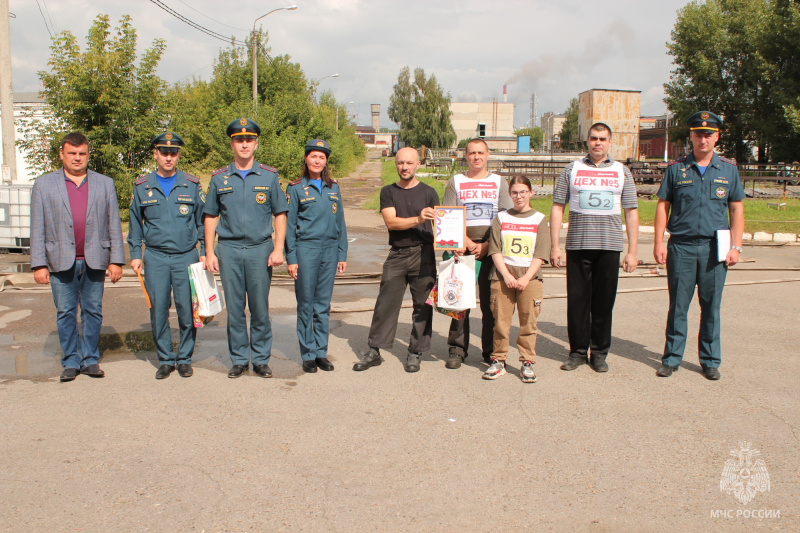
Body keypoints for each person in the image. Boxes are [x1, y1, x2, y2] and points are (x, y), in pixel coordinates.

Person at [653, 111, 744, 380]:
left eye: (708, 134)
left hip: (715, 248)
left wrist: (736, 246)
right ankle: (671, 358)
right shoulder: (676, 168)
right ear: (691, 136)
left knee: (711, 306)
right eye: (698, 134)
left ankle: (710, 360)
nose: (703, 139)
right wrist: (659, 242)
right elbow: (663, 205)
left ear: (716, 137)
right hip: (680, 246)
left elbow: (736, 209)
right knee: (678, 306)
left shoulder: (728, 169)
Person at [30, 132, 125, 382]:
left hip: (95, 259)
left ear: (87, 155)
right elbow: (37, 226)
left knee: (93, 311)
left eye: (82, 153)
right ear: (61, 154)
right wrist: (38, 264)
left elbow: (113, 223)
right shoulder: (43, 185)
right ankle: (71, 360)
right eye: (72, 153)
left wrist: (116, 260)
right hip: (60, 260)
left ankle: (90, 358)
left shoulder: (105, 183)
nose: (77, 158)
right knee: (65, 312)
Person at [550, 122, 639, 373]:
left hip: (609, 247)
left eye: (602, 138)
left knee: (603, 303)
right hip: (578, 246)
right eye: (593, 138)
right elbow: (558, 207)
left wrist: (632, 251)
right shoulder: (571, 169)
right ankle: (577, 352)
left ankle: (599, 352)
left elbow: (631, 211)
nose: (598, 142)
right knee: (578, 302)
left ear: (610, 142)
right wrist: (555, 245)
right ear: (586, 141)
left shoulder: (622, 171)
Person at [203, 118, 288, 379]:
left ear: (256, 144)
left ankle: (261, 358)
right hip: (228, 250)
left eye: (249, 140)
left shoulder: (269, 177)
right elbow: (210, 216)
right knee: (235, 308)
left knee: (260, 307)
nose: (244, 144)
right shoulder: (219, 179)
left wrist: (278, 248)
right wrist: (209, 252)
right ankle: (239, 358)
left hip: (260, 250)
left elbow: (280, 214)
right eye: (239, 140)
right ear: (232, 144)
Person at [353, 146, 439, 373]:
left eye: (409, 163)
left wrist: (455, 244)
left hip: (424, 254)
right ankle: (375, 350)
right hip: (398, 255)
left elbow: (443, 225)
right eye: (400, 163)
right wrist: (419, 218)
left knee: (423, 306)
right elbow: (391, 222)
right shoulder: (388, 191)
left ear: (418, 164)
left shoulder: (429, 192)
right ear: (396, 164)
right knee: (386, 304)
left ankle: (416, 351)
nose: (405, 167)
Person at [128, 132, 205, 379]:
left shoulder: (191, 185)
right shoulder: (142, 186)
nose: (168, 157)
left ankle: (183, 358)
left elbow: (202, 221)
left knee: (188, 310)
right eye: (164, 152)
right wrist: (135, 254)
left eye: (173, 153)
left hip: (186, 257)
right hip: (155, 257)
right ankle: (164, 359)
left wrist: (204, 251)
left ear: (178, 155)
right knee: (159, 309)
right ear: (155, 154)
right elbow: (135, 223)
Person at [441, 138, 512, 369]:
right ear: (466, 155)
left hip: (491, 250)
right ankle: (457, 349)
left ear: (488, 154)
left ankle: (491, 351)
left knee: (491, 303)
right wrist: (467, 241)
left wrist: (486, 245)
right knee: (458, 301)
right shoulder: (456, 182)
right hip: (462, 248)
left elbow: (505, 218)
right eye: (472, 153)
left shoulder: (499, 183)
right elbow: (449, 215)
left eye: (481, 153)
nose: (476, 157)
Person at [285, 139, 348, 373]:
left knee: (322, 305)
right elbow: (289, 226)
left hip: (330, 250)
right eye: (313, 156)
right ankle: (308, 353)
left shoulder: (333, 187)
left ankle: (321, 351)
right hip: (305, 250)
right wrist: (291, 258)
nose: (317, 160)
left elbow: (340, 221)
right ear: (306, 159)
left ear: (326, 161)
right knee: (306, 304)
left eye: (322, 157)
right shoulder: (295, 188)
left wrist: (342, 253)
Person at [484, 176, 550, 382]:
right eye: (514, 192)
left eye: (523, 192)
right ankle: (498, 360)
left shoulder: (539, 219)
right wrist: (506, 275)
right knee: (500, 324)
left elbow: (540, 252)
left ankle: (527, 362)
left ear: (530, 193)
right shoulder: (501, 218)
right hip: (502, 278)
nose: (518, 196)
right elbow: (495, 249)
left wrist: (526, 278)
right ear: (509, 194)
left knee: (528, 323)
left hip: (529, 280)